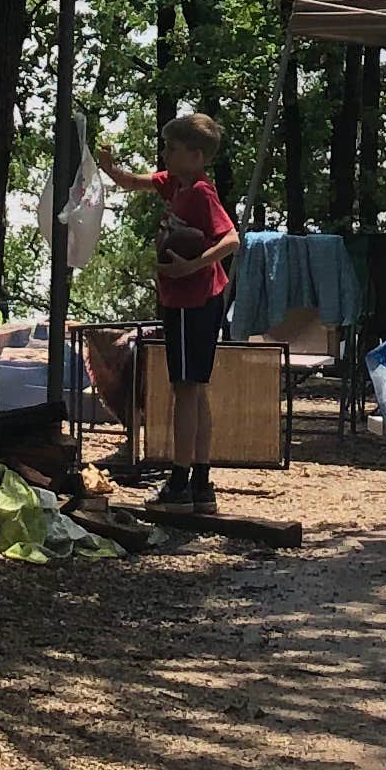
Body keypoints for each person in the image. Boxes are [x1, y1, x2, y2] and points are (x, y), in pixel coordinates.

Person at [116, 110, 244, 508]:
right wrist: (106, 166)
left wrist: (191, 266)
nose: (165, 154)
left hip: (194, 301)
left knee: (185, 389)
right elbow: (131, 182)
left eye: (172, 148)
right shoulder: (175, 183)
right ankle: (201, 483)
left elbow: (232, 239)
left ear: (197, 157)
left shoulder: (202, 192)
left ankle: (179, 482)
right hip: (184, 301)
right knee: (195, 389)